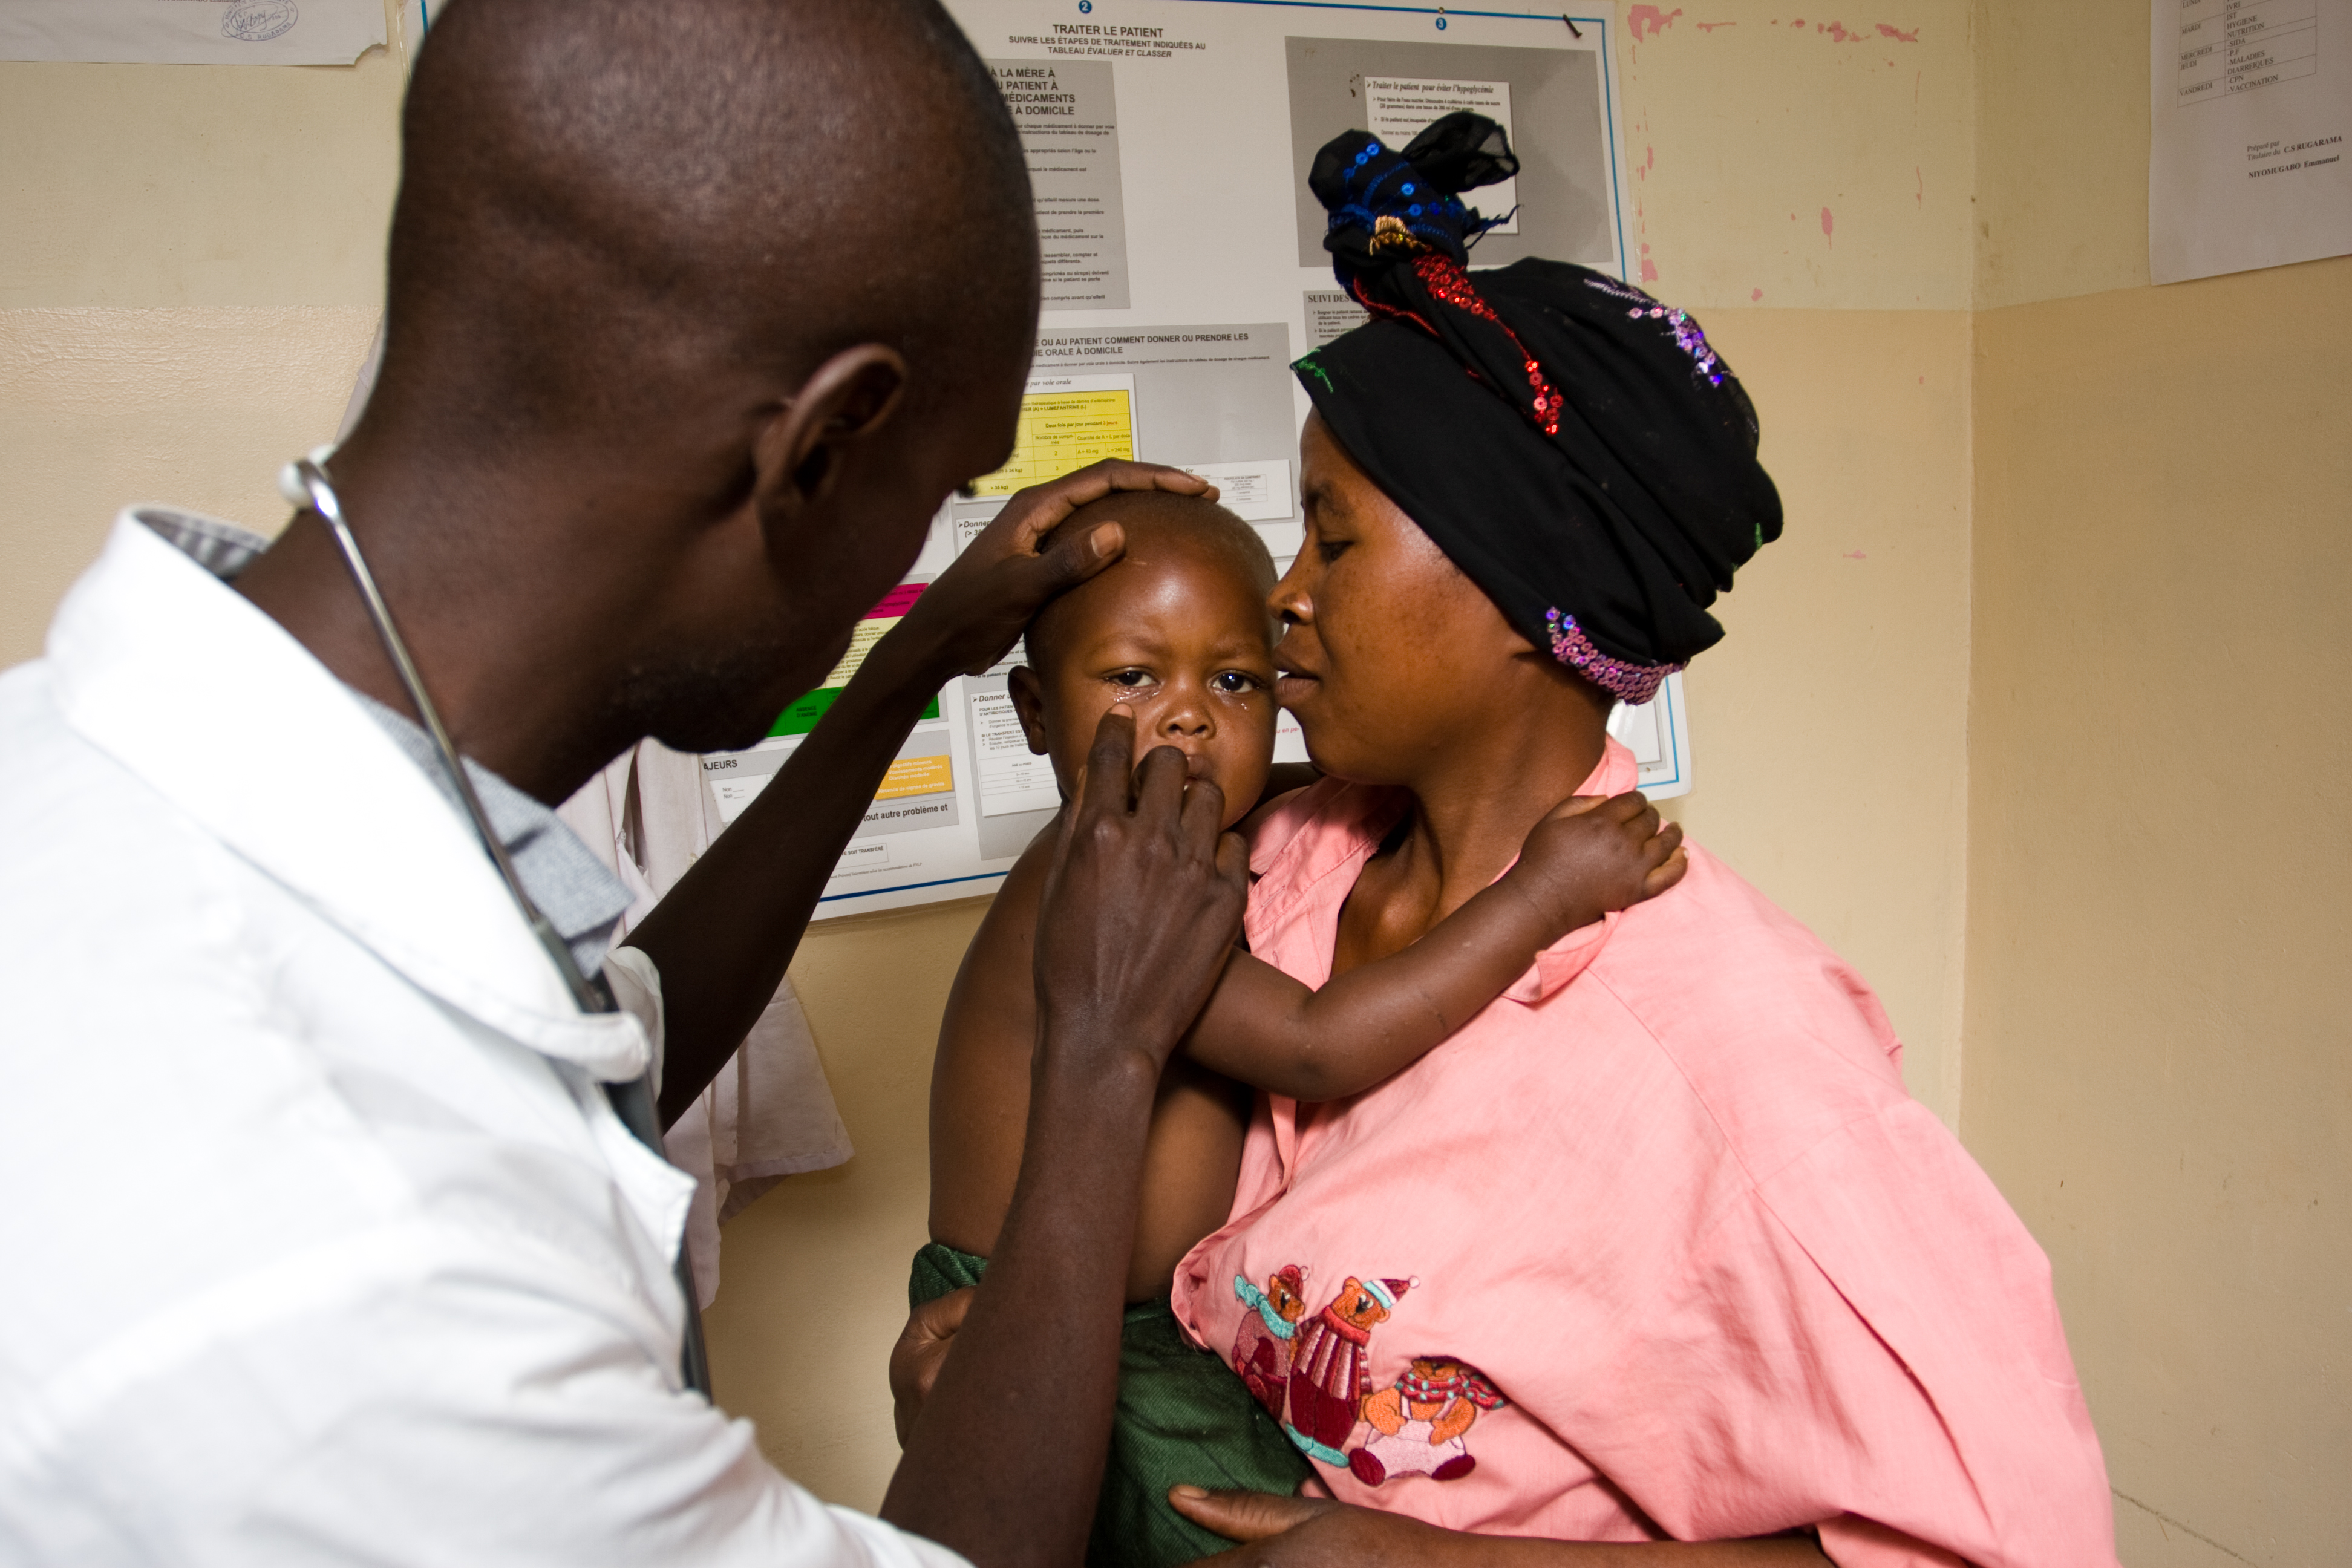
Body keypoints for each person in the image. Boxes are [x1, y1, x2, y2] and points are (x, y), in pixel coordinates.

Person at [0, 3, 1259, 1565]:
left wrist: (897, 673)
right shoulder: (363, 1265)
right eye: (932, 489)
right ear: (817, 447)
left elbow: (632, 1033)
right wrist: (1101, 1056)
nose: (907, 561)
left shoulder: (111, 774)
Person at [1130, 118, 2120, 1566]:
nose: (1280, 600)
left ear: (1522, 590)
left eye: (1333, 545)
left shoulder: (1736, 1059)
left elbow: (2012, 1548)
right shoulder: (1295, 862)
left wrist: (1437, 1563)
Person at [918, 491, 1688, 1566]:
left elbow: (1300, 782)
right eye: (1134, 678)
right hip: (1033, 1321)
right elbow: (1318, 1044)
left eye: (1234, 681)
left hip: (1142, 1322)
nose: (1189, 717)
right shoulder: (1090, 883)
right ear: (1038, 715)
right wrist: (1539, 900)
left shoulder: (1210, 835)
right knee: (1255, 1530)